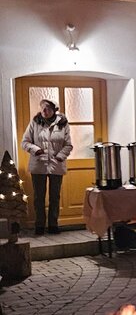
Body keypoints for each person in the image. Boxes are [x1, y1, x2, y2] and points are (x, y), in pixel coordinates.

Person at [20, 99, 73, 235]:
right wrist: (34, 149)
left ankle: (53, 225)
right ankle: (39, 225)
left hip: (56, 164)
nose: (44, 111)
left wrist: (61, 155)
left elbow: (68, 144)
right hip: (38, 165)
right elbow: (25, 142)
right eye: (42, 108)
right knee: (39, 197)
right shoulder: (35, 122)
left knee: (55, 196)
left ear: (54, 110)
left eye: (48, 108)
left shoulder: (63, 124)